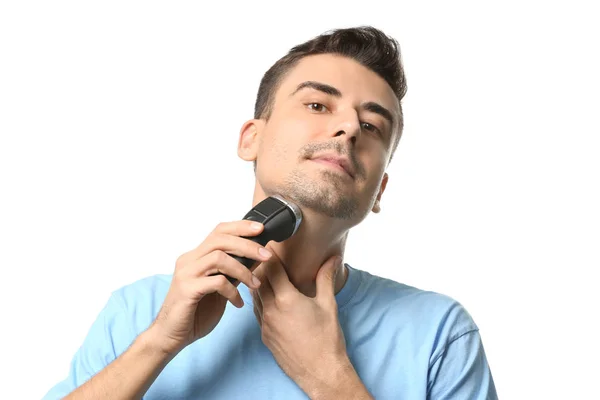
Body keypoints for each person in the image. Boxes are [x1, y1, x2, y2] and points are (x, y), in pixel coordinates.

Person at [43, 26, 498, 399]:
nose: (347, 127)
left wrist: (330, 379)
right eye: (318, 104)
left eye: (372, 125)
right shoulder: (138, 313)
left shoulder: (440, 335)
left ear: (379, 189)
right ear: (250, 139)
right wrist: (160, 342)